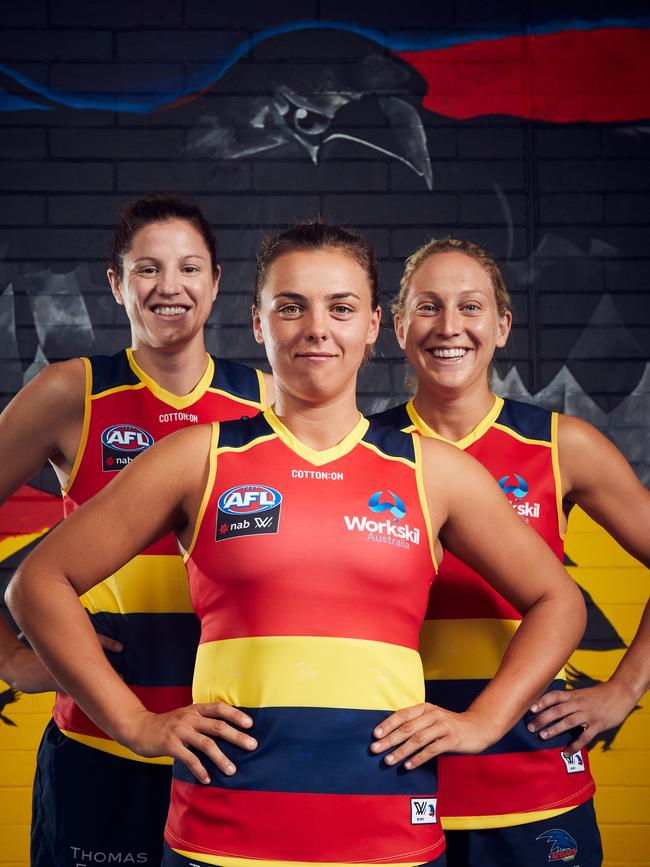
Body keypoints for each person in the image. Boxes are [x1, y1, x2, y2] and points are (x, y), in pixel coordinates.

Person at [7, 221, 587, 867]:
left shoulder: (434, 471)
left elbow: (557, 600)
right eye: (291, 306)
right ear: (258, 323)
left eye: (340, 308)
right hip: (223, 833)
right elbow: (37, 582)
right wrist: (136, 723)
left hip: (387, 832)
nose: (317, 328)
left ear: (372, 325)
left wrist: (481, 720)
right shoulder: (199, 457)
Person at [0, 193, 271, 866]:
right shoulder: (73, 393)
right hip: (100, 747)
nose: (169, 286)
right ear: (118, 283)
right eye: (148, 269)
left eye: (189, 268)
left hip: (231, 747)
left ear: (215, 283)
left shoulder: (265, 401)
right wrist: (9, 656)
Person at [372, 237, 650, 867]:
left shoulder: (560, 445)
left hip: (534, 784)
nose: (449, 328)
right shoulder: (365, 451)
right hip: (398, 780)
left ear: (501, 326)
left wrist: (624, 690)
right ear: (396, 326)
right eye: (427, 307)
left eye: (470, 308)